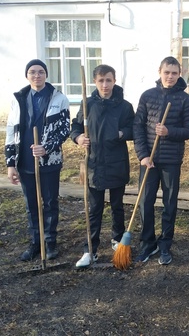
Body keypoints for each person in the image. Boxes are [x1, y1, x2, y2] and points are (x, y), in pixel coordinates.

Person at [70, 65, 135, 268]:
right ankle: (90, 248)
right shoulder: (88, 104)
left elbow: (133, 128)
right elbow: (76, 126)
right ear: (95, 82)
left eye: (108, 80)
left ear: (114, 81)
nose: (105, 85)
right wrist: (78, 137)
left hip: (117, 162)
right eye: (101, 81)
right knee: (95, 208)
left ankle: (117, 240)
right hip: (94, 164)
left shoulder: (124, 106)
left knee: (117, 206)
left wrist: (121, 134)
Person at [5, 59, 70, 261]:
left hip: (49, 162)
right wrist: (10, 164)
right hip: (25, 159)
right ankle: (36, 242)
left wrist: (46, 148)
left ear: (46, 75)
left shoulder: (58, 98)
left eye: (41, 72)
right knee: (31, 204)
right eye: (32, 72)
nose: (37, 75)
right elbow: (10, 131)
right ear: (27, 75)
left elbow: (64, 130)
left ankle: (50, 243)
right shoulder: (19, 99)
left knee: (50, 202)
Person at [133, 56, 189, 265]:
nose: (170, 77)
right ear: (160, 72)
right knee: (145, 201)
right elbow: (138, 127)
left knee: (169, 202)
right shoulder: (147, 96)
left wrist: (169, 131)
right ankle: (147, 243)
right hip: (149, 160)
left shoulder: (184, 99)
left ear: (180, 75)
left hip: (171, 160)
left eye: (174, 73)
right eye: (167, 72)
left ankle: (165, 244)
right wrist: (142, 155)